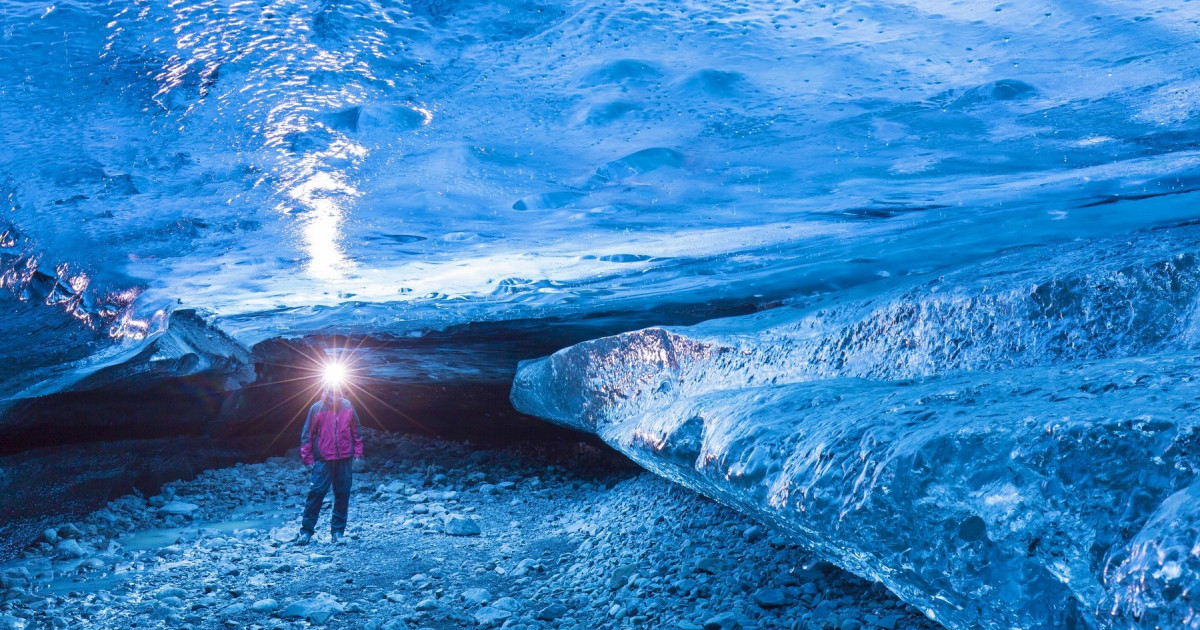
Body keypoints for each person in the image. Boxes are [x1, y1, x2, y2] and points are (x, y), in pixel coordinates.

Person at [297, 384, 363, 545]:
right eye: (330, 391)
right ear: (325, 391)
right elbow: (308, 434)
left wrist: (358, 453)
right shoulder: (316, 408)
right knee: (316, 492)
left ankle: (338, 532)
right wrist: (307, 459)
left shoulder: (347, 406)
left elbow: (356, 430)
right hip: (323, 458)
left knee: (342, 493)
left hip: (344, 457)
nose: (333, 394)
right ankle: (306, 532)